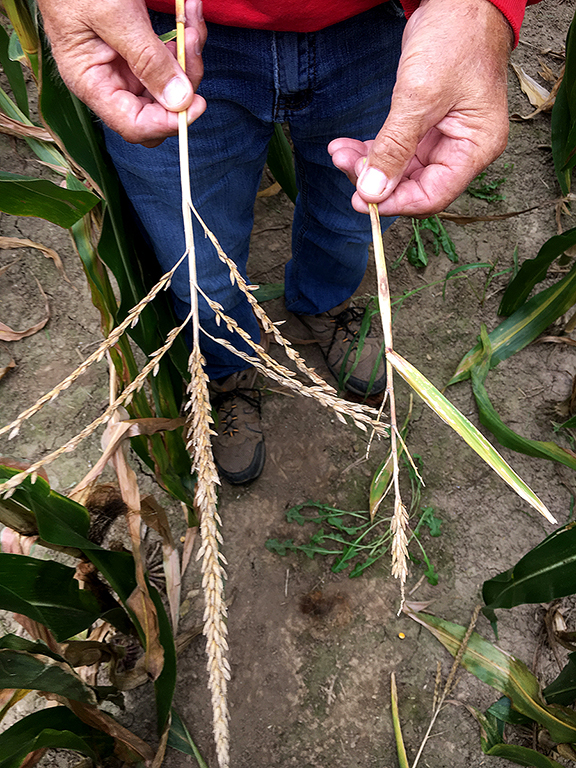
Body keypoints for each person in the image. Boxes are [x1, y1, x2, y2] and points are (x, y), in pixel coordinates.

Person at [37, 0, 536, 483]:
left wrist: (482, 8)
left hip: (376, 23)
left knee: (353, 220)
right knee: (196, 262)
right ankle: (227, 368)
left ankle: (322, 306)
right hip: (165, 31)